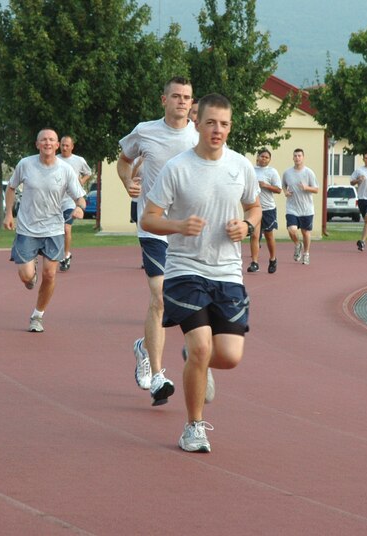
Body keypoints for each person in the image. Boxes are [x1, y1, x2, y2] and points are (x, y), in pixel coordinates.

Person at [140, 93, 262, 453]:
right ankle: (193, 427)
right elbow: (149, 218)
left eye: (224, 124)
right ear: (198, 123)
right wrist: (178, 225)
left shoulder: (241, 166)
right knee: (201, 345)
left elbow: (255, 207)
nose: (217, 130)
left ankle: (197, 361)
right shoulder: (177, 167)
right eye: (211, 122)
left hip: (227, 273)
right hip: (185, 270)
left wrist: (248, 225)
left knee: (229, 356)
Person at [117, 77, 199, 403]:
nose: (181, 102)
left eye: (187, 97)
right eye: (176, 96)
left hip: (185, 231)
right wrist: (127, 184)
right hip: (152, 226)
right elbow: (124, 161)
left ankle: (143, 347)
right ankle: (158, 376)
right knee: (160, 296)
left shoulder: (198, 137)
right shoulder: (145, 131)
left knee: (186, 302)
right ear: (163, 99)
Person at [4, 128, 86, 333]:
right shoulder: (25, 164)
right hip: (27, 228)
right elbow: (11, 187)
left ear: (57, 145)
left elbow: (80, 197)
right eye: (43, 140)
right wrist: (8, 214)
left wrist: (79, 208)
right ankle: (30, 277)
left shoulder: (65, 169)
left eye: (51, 140)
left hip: (53, 229)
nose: (48, 143)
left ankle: (37, 316)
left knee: (50, 274)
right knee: (26, 277)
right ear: (37, 144)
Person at [57, 135, 93, 272]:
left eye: (67, 145)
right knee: (56, 230)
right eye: (62, 145)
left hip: (71, 202)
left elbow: (88, 172)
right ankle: (57, 254)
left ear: (72, 146)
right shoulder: (55, 160)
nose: (64, 148)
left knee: (66, 228)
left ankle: (66, 255)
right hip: (55, 201)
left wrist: (81, 182)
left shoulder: (78, 160)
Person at [282, 148, 319, 265]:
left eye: (299, 156)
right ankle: (298, 244)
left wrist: (306, 187)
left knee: (305, 232)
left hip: (306, 208)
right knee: (291, 229)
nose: (297, 158)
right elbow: (283, 185)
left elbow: (316, 189)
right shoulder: (287, 173)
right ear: (292, 158)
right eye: (295, 156)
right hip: (292, 207)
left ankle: (306, 253)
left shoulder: (309, 173)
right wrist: (285, 192)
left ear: (303, 157)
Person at [247, 148, 282, 273]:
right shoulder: (251, 170)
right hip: (255, 207)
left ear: (270, 160)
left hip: (268, 208)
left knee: (268, 235)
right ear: (257, 157)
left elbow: (279, 189)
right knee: (254, 235)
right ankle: (254, 262)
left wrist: (266, 185)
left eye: (267, 157)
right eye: (262, 156)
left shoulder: (272, 172)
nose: (264, 159)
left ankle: (273, 259)